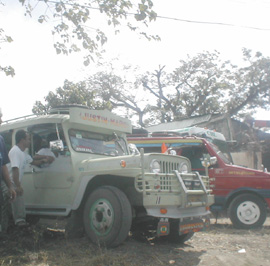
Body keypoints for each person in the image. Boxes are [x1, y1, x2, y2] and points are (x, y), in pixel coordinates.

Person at [9, 130, 47, 227]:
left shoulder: (24, 153)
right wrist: (18, 185)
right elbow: (15, 169)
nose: (30, 141)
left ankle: (19, 222)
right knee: (17, 201)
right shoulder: (15, 151)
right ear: (22, 140)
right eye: (28, 139)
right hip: (11, 182)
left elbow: (33, 162)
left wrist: (45, 160)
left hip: (15, 182)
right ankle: (19, 223)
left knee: (19, 201)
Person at [0, 108, 16, 235]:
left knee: (5, 205)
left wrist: (10, 186)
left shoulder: (0, 140)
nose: (1, 121)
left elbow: (3, 164)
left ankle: (3, 235)